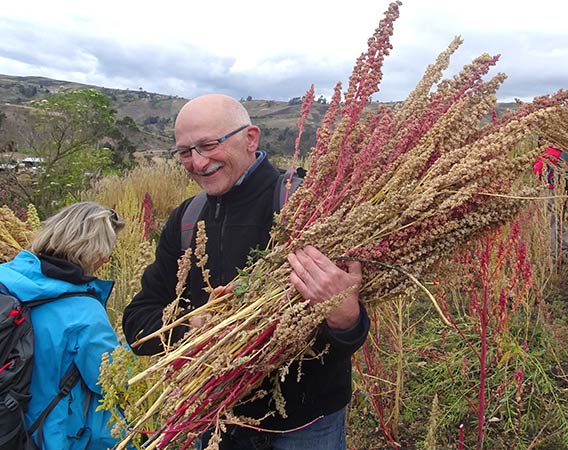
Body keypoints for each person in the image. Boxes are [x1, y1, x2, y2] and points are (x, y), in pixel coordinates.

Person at [122, 94, 370, 450]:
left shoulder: (308, 205)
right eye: (184, 152)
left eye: (208, 145)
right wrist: (194, 323)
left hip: (304, 428)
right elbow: (137, 323)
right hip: (214, 420)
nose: (197, 161)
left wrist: (345, 318)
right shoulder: (185, 220)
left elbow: (350, 332)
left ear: (250, 138)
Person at [0, 202, 125, 450]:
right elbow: (114, 382)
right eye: (105, 251)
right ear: (93, 252)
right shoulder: (84, 313)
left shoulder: (6, 278)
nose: (106, 259)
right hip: (47, 436)